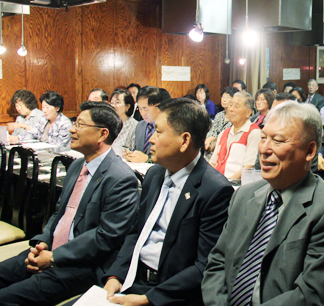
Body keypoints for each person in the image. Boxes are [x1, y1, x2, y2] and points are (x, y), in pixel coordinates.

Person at [202, 101, 324, 306]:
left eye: (277, 140)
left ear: (310, 151)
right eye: (263, 137)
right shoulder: (244, 196)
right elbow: (218, 263)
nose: (264, 149)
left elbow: (312, 294)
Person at [0, 102, 140, 304]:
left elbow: (105, 236)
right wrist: (43, 242)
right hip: (51, 251)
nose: (71, 129)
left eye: (80, 125)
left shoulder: (121, 178)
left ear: (102, 134)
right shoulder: (76, 165)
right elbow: (59, 214)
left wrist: (54, 257)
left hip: (82, 265)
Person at [97, 99, 233, 306]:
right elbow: (137, 233)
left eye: (159, 132)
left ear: (184, 140)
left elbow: (205, 265)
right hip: (133, 279)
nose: (151, 139)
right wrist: (116, 276)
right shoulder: (154, 174)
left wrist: (149, 299)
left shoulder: (214, 190)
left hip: (169, 294)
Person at [209, 92, 261, 179]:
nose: (231, 109)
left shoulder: (254, 133)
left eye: (236, 106)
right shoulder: (224, 133)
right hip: (217, 184)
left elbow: (247, 167)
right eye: (230, 105)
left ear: (248, 113)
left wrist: (226, 184)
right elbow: (213, 163)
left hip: (236, 185)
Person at [126, 86, 170, 163]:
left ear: (158, 107)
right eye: (139, 109)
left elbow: (169, 158)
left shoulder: (168, 127)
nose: (142, 113)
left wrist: (147, 159)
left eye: (145, 109)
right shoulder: (140, 125)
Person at [205, 86, 239, 152]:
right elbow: (213, 130)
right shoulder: (219, 115)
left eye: (228, 97)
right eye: (223, 97)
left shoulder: (236, 117)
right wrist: (209, 139)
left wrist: (213, 140)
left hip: (226, 148)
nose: (224, 100)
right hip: (212, 146)